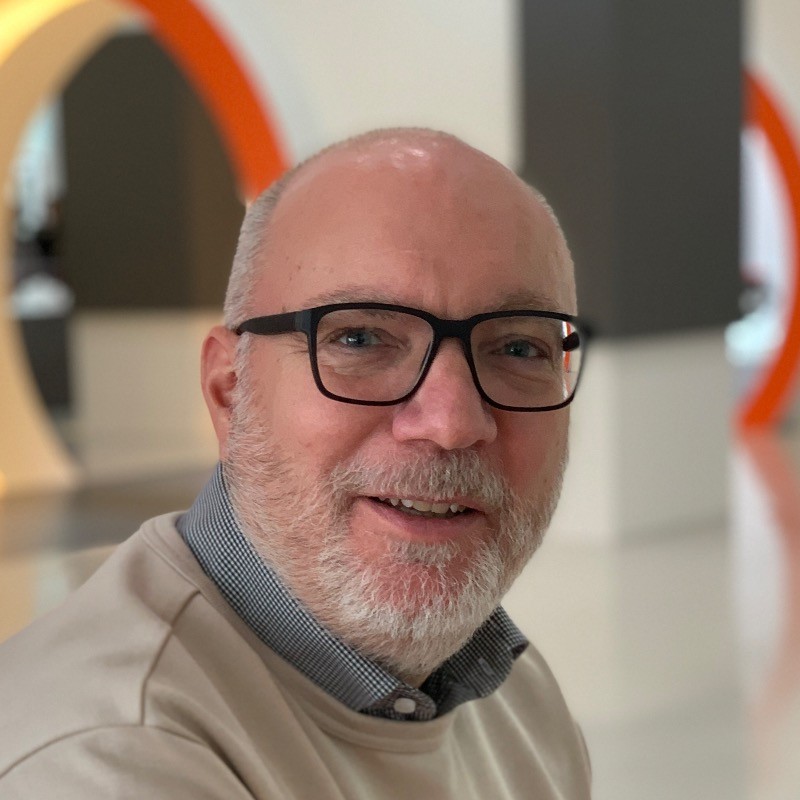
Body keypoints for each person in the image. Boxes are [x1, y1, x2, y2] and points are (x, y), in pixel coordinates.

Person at [0, 128, 591, 798]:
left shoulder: (517, 696)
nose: (452, 423)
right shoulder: (107, 759)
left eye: (518, 349)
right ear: (230, 391)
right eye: (360, 338)